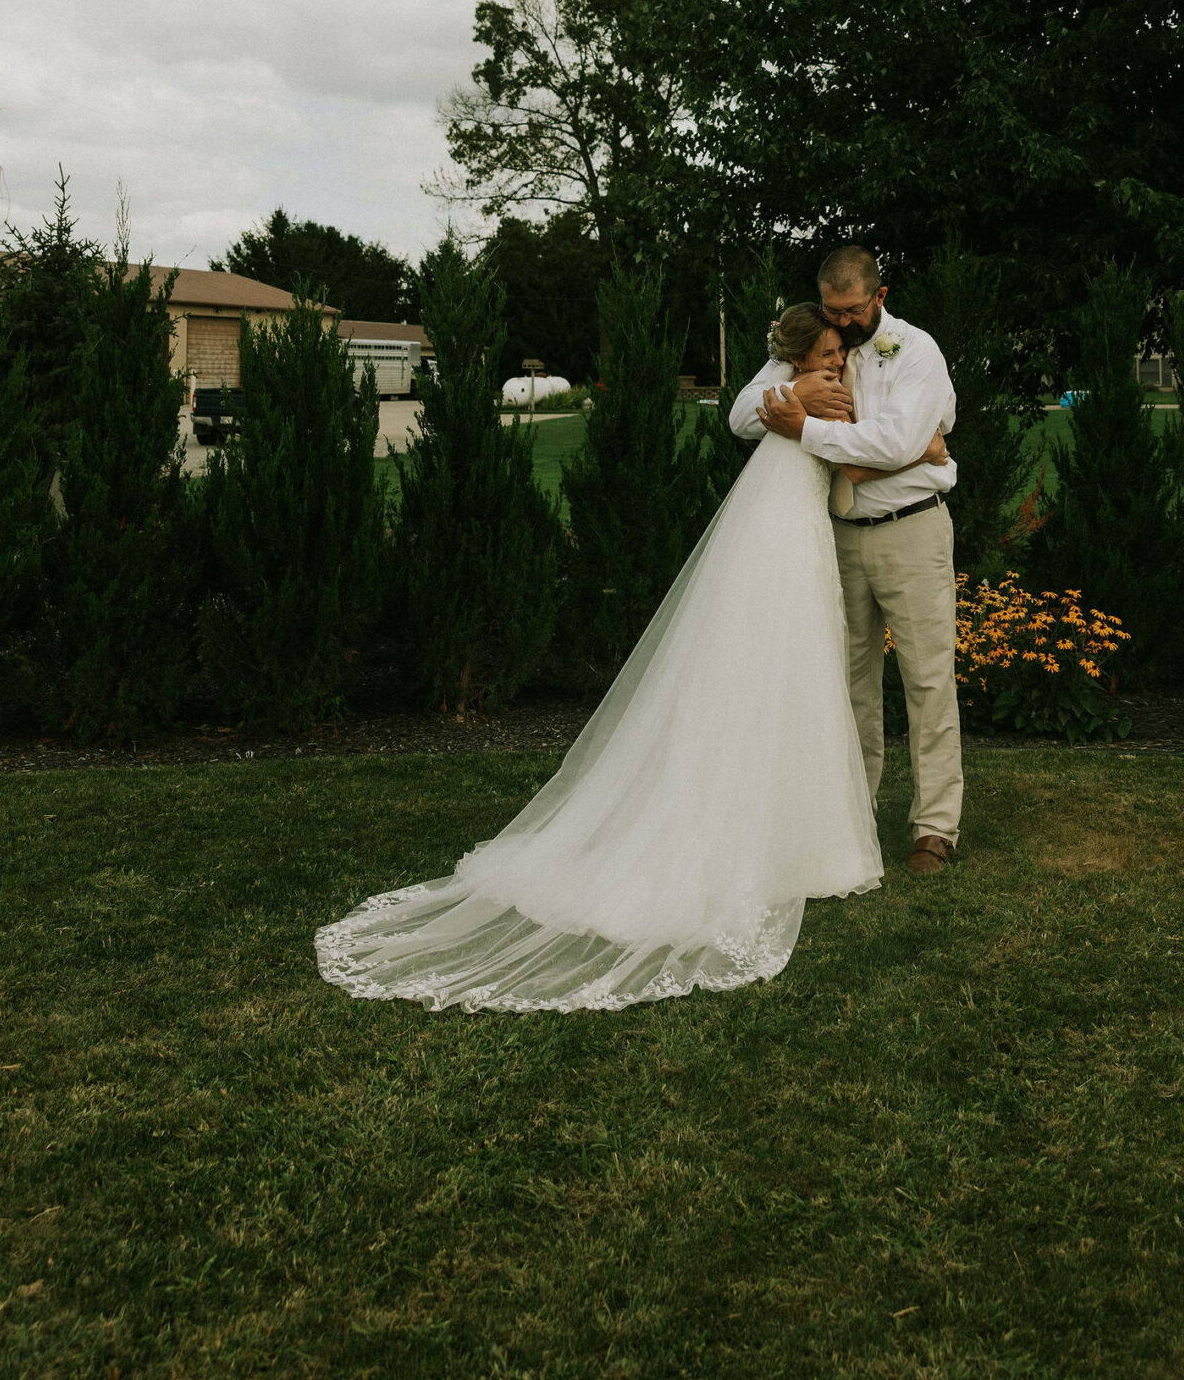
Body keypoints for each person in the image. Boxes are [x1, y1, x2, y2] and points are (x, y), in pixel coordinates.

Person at [316, 304, 906, 1015]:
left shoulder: (804, 389)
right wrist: (918, 447)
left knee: (796, 682)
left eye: (841, 353)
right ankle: (763, 841)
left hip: (791, 531)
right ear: (798, 356)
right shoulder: (792, 387)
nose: (838, 365)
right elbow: (790, 427)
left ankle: (800, 837)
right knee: (774, 674)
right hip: (780, 542)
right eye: (828, 354)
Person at [731, 243, 962, 877]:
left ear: (878, 297)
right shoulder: (816, 342)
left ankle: (934, 829)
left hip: (910, 533)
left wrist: (804, 430)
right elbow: (739, 417)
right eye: (833, 309)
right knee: (849, 684)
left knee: (928, 681)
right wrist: (793, 390)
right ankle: (849, 820)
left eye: (853, 310)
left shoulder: (915, 351)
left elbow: (893, 440)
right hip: (835, 536)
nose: (843, 322)